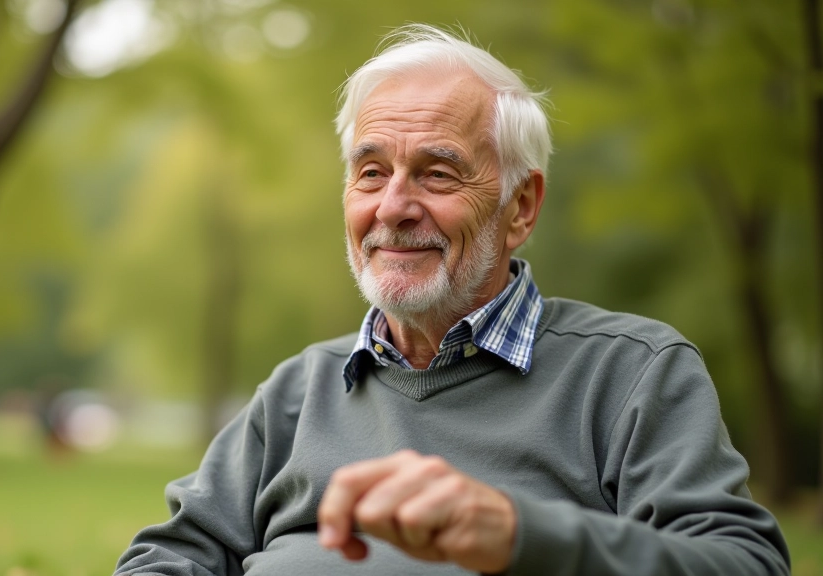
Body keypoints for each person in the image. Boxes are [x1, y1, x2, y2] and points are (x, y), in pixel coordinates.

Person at [114, 24, 790, 576]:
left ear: (519, 206)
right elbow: (167, 558)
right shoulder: (296, 392)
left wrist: (526, 537)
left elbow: (744, 563)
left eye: (437, 174)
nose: (394, 207)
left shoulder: (632, 374)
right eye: (371, 173)